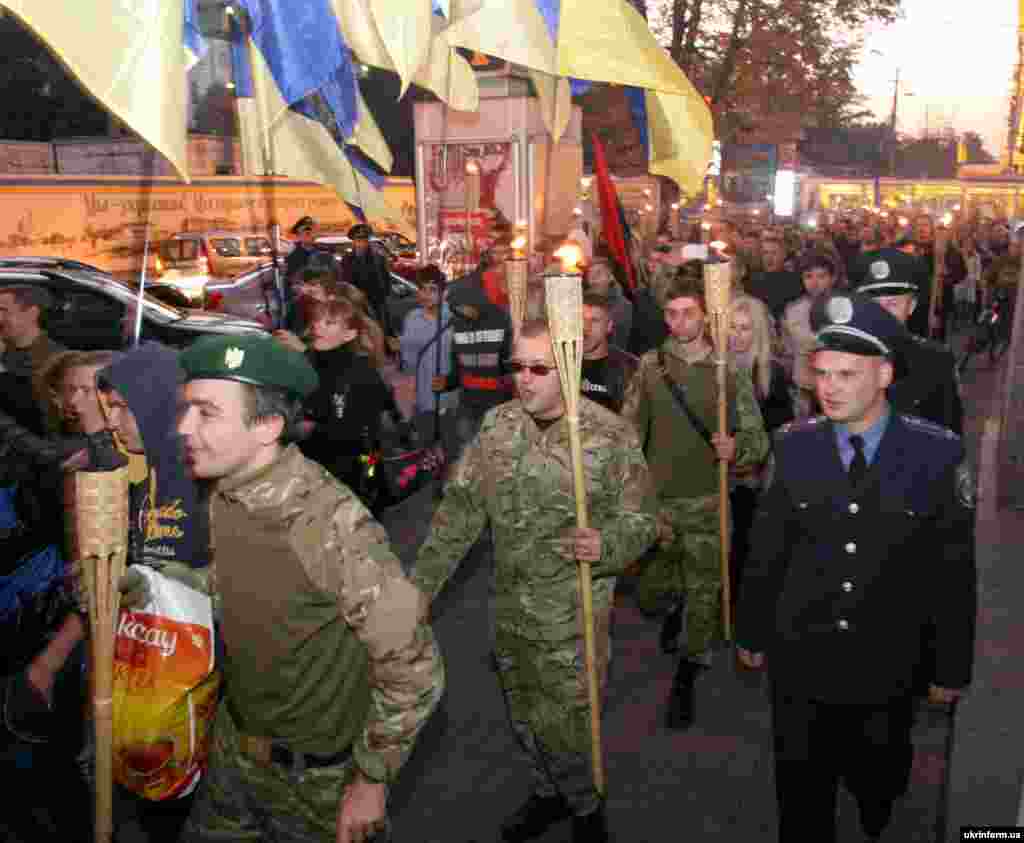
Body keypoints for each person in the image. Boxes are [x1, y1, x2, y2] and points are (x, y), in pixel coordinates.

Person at [176, 334, 443, 843]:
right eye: (188, 409)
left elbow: (415, 666)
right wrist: (156, 588)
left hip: (315, 780)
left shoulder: (327, 522)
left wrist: (370, 781)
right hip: (234, 753)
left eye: (206, 413)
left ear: (268, 427)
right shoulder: (227, 492)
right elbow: (238, 584)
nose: (184, 428)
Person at [736, 292, 976, 843]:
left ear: (885, 374)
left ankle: (878, 795)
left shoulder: (935, 456)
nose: (830, 388)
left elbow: (953, 573)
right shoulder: (793, 447)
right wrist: (751, 629)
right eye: (822, 373)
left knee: (881, 775)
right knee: (800, 795)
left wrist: (950, 667)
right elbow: (768, 550)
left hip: (888, 660)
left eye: (847, 374)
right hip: (802, 657)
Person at [414, 319, 656, 843]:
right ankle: (548, 794)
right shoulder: (498, 428)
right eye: (516, 367)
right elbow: (458, 515)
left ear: (567, 367)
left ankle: (587, 810)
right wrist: (420, 590)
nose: (524, 379)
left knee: (566, 727)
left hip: (573, 616)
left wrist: (607, 545)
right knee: (522, 714)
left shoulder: (610, 435)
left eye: (538, 368)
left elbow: (642, 521)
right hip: (509, 607)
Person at [621, 269, 769, 729]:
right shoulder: (650, 367)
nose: (678, 322)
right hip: (659, 502)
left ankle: (688, 672)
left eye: (688, 313)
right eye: (671, 314)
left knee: (705, 590)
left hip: (708, 502)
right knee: (652, 590)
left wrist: (737, 449)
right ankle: (676, 605)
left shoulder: (726, 371)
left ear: (705, 317)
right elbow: (628, 430)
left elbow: (757, 440)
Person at [300, 295, 403, 501]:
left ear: (349, 335)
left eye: (329, 322)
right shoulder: (305, 362)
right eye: (317, 320)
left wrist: (371, 477)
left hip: (357, 473)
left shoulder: (361, 371)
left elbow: (369, 435)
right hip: (316, 472)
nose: (317, 326)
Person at [855, 258, 963, 434]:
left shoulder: (936, 359)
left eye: (892, 304)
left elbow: (949, 428)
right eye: (875, 304)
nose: (883, 313)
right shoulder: (843, 358)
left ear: (911, 306)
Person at [399, 265, 455, 444]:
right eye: (422, 289)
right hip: (421, 399)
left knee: (450, 451)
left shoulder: (454, 319)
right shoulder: (411, 318)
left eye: (432, 290)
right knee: (426, 453)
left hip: (449, 400)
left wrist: (451, 381)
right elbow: (408, 363)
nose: (425, 295)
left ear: (444, 293)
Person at [0, 283, 66, 434]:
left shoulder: (55, 358)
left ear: (32, 313)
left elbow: (40, 417)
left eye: (3, 311)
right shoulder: (5, 349)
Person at [781, 253, 838, 417]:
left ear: (832, 278)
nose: (814, 283)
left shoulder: (843, 309)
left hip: (835, 384)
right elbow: (788, 349)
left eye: (821, 276)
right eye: (808, 276)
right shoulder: (793, 309)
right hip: (803, 385)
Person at [580, 290, 638, 413]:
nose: (585, 328)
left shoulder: (631, 369)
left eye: (594, 321)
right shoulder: (560, 364)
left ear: (609, 326)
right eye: (581, 319)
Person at [341, 223, 398, 348]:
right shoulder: (346, 260)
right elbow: (344, 283)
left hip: (375, 305)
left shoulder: (378, 259)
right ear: (353, 241)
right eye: (358, 239)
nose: (362, 243)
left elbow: (386, 283)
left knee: (378, 336)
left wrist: (383, 300)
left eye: (364, 239)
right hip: (354, 305)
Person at [745, 237, 804, 320]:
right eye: (765, 253)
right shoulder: (752, 280)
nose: (769, 257)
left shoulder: (795, 281)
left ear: (783, 255)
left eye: (774, 253)